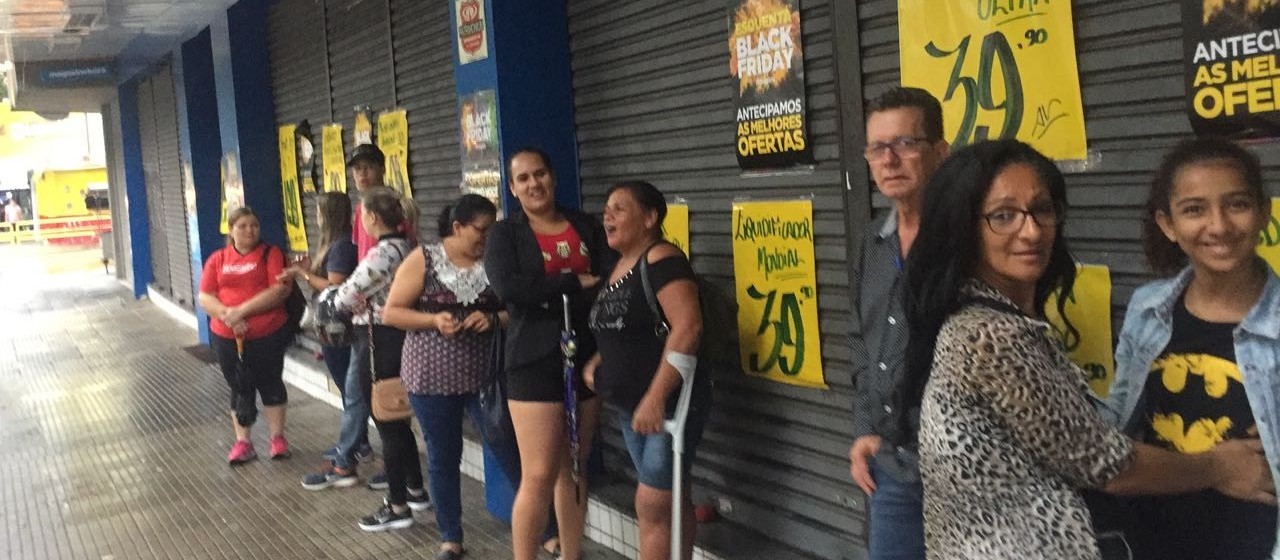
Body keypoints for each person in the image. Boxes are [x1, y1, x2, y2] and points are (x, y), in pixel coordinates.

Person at [891, 139, 1274, 559]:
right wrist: (1219, 466)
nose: (1032, 230)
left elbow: (1108, 423)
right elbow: (1103, 459)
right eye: (1003, 216)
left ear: (1264, 213)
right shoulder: (990, 336)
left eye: (1041, 210)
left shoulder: (1014, 322)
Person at [1102, 138, 1280, 559]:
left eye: (1236, 204)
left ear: (1264, 213)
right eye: (1194, 209)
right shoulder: (1148, 308)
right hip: (1153, 539)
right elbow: (1120, 414)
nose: (1218, 226)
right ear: (1168, 224)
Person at [486, 147, 615, 560]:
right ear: (512, 187)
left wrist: (551, 288)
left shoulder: (584, 225)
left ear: (553, 178)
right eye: (523, 178)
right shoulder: (505, 234)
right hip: (533, 362)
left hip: (586, 356)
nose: (533, 184)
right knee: (538, 473)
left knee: (573, 468)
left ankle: (571, 554)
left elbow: (611, 276)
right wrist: (572, 283)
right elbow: (509, 290)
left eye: (539, 174)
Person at [847, 86, 948, 560]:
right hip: (892, 463)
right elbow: (862, 344)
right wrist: (866, 427)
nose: (889, 160)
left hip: (963, 467)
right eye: (877, 148)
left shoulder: (972, 241)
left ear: (941, 152)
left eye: (905, 144)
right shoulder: (873, 244)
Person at [586, 180, 712, 560]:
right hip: (632, 406)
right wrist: (597, 362)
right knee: (671, 497)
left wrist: (656, 398)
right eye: (606, 209)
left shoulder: (662, 259)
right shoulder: (617, 267)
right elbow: (621, 330)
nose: (607, 215)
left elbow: (688, 328)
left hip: (670, 405)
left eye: (619, 208)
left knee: (652, 504)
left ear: (650, 217)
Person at [383, 194, 505, 560]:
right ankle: (450, 537)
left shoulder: (494, 262)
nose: (486, 238)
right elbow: (392, 312)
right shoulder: (424, 259)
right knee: (442, 457)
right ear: (457, 227)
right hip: (431, 375)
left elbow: (517, 308)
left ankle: (544, 528)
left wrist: (493, 319)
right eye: (480, 231)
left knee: (507, 446)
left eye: (490, 230)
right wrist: (433, 320)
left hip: (486, 375)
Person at [329, 186, 429, 530]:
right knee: (397, 417)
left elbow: (345, 297)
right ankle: (415, 490)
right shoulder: (408, 247)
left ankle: (398, 504)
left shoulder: (384, 253)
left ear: (371, 217)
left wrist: (349, 300)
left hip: (379, 341)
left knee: (386, 418)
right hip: (394, 338)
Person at [281, 192, 373, 487]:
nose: (316, 217)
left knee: (353, 390)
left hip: (340, 327)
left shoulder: (342, 246)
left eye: (319, 212)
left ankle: (353, 449)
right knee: (350, 389)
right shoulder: (333, 245)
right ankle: (354, 442)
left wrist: (303, 275)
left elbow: (336, 287)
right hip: (332, 327)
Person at [197, 206, 294, 465]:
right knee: (239, 385)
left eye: (254, 225)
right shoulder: (218, 259)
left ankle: (277, 439)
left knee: (270, 381)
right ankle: (243, 442)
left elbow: (279, 290)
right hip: (227, 336)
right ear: (231, 230)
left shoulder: (270, 254)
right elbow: (205, 295)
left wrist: (241, 311)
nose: (250, 230)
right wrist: (227, 315)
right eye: (242, 226)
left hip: (267, 333)